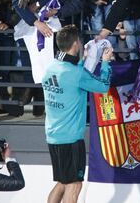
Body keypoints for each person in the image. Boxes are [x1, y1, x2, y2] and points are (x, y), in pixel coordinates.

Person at [42, 25, 112, 203]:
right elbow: (103, 87)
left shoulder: (51, 67)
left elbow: (71, 79)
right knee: (74, 185)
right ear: (75, 44)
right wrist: (105, 62)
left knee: (62, 183)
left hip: (53, 135)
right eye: (79, 41)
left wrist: (83, 60)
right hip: (71, 139)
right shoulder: (77, 74)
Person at [10, 0, 70, 115]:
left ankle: (47, 98)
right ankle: (32, 91)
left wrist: (39, 3)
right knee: (28, 54)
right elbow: (17, 3)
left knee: (51, 55)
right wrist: (36, 22)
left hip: (49, 11)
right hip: (28, 17)